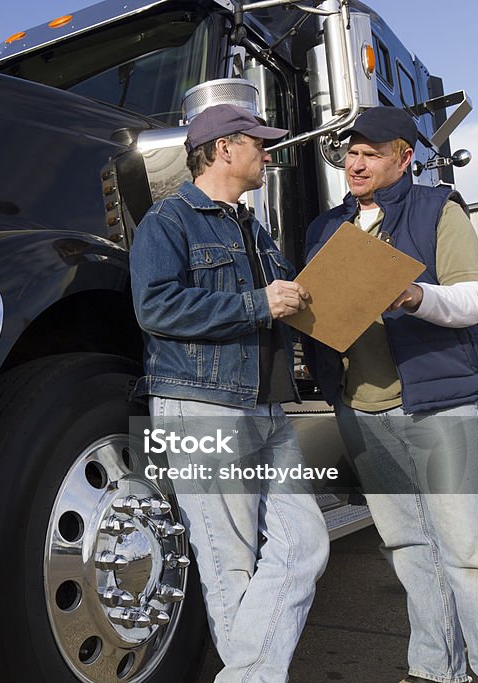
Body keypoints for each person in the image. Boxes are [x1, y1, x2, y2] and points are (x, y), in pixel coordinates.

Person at [304, 106, 478, 683]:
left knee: (473, 554)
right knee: (410, 549)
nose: (355, 163)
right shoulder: (323, 228)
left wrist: (414, 297)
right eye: (350, 153)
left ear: (403, 157)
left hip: (438, 407)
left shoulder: (440, 210)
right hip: (363, 410)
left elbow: (472, 301)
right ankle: (436, 669)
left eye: (370, 153)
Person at [130, 103, 329, 681]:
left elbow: (293, 298)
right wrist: (257, 303)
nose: (266, 153)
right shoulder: (169, 220)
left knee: (307, 542)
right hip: (200, 404)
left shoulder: (251, 227)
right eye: (257, 142)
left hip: (265, 405)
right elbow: (155, 307)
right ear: (222, 149)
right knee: (230, 565)